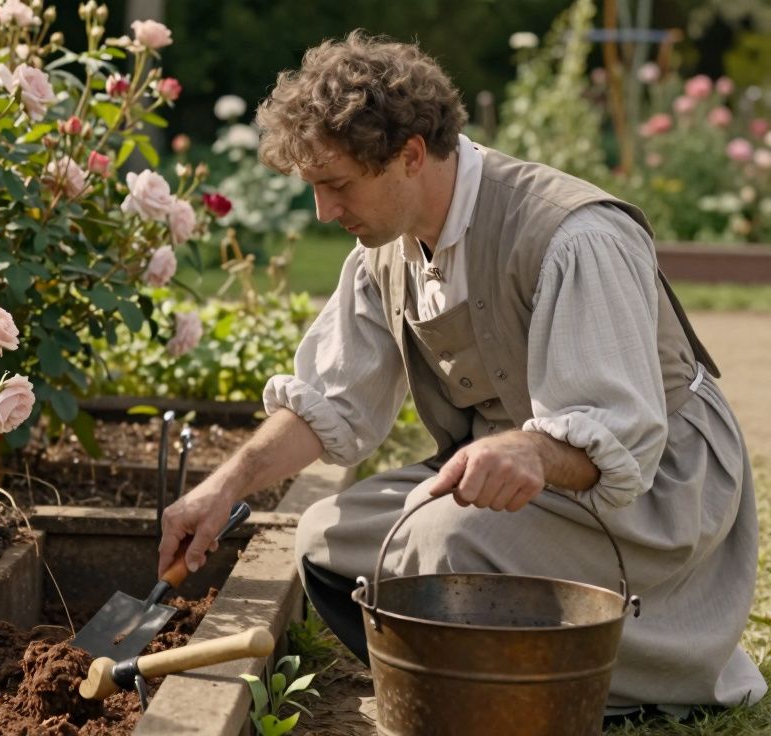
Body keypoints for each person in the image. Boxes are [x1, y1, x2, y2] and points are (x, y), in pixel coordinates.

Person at [157, 31, 766, 718]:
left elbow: (616, 437)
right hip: (517, 475)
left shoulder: (575, 235)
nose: (324, 212)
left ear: (411, 155)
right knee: (328, 538)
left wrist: (525, 447)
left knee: (442, 541)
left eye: (337, 184)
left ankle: (622, 684)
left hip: (655, 487)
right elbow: (329, 401)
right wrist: (225, 484)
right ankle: (457, 683)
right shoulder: (381, 254)